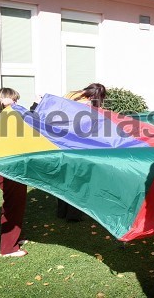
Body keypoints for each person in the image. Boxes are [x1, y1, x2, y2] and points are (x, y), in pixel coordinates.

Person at [0, 88, 29, 257]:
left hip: (10, 165)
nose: (16, 103)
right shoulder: (0, 116)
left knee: (17, 201)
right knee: (13, 203)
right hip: (7, 166)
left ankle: (14, 237)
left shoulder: (1, 115)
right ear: (4, 100)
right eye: (13, 100)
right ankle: (8, 248)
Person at [56, 83, 107, 222]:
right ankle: (73, 215)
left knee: (64, 179)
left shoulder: (71, 95)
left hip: (62, 144)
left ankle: (61, 212)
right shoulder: (90, 106)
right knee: (78, 181)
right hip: (79, 147)